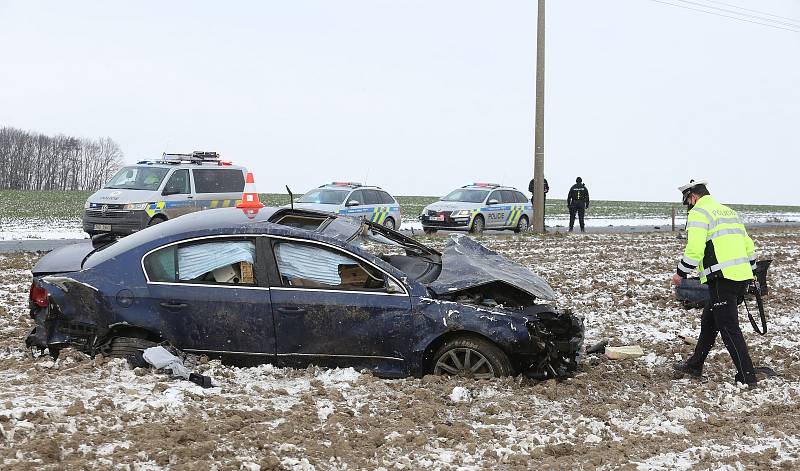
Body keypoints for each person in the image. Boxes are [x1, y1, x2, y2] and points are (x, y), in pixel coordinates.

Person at [671, 179, 758, 387]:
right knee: (709, 323)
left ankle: (747, 377)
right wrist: (752, 273)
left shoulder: (699, 213)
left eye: (688, 202)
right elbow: (748, 245)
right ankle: (695, 365)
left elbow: (695, 249)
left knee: (729, 329)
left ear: (693, 197)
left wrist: (680, 273)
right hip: (740, 277)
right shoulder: (728, 212)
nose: (688, 207)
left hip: (721, 278)